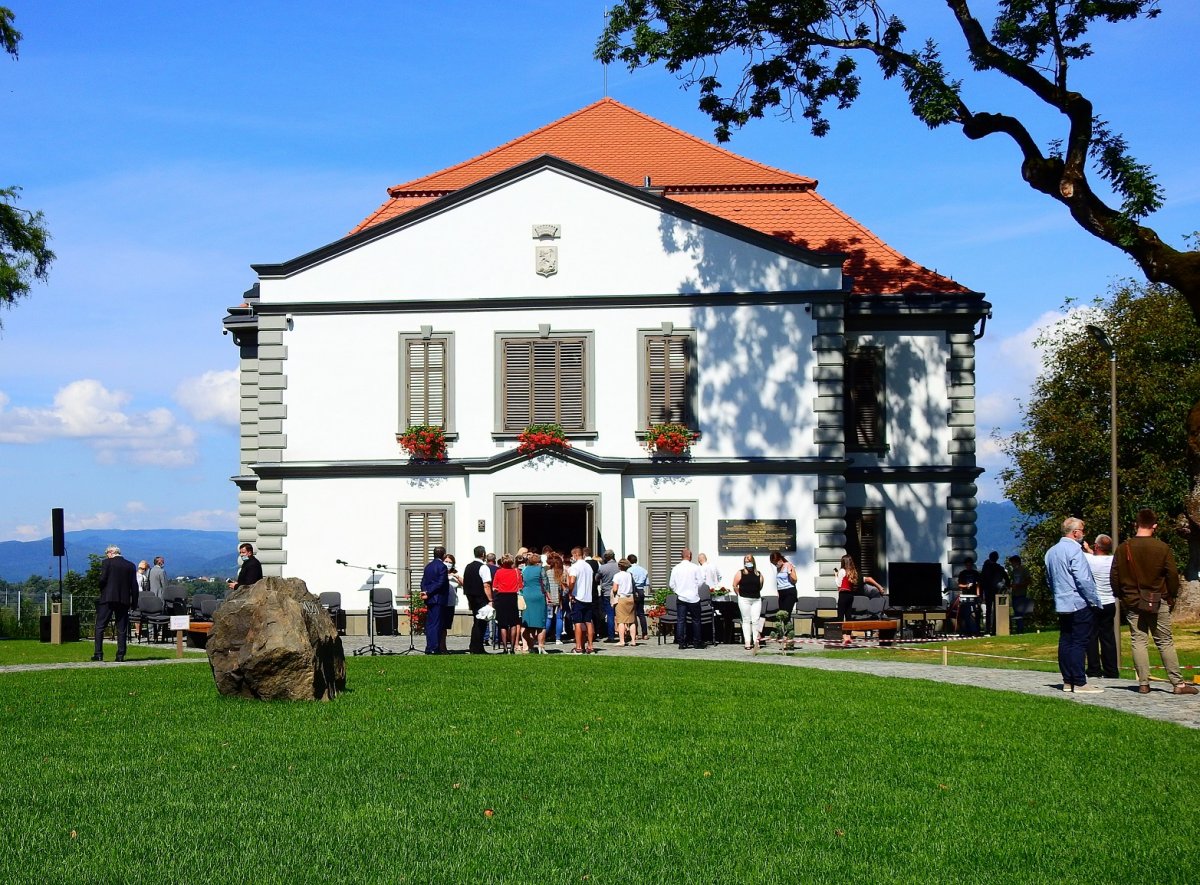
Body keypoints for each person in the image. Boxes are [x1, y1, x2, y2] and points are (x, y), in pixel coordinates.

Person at [1111, 508, 1199, 695]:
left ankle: (1143, 683)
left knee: (1138, 640)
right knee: (1164, 641)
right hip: (1158, 600)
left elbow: (1114, 576)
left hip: (1132, 601)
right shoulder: (1162, 548)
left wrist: (1121, 596)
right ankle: (1178, 684)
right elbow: (1172, 576)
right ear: (1155, 526)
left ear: (1136, 524)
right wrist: (1172, 596)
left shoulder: (1122, 548)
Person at [1044, 517, 1103, 693]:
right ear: (1075, 532)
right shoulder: (1075, 551)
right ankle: (1079, 681)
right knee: (1079, 642)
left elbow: (1049, 579)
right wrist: (1094, 600)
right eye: (1083, 531)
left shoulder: (1051, 552)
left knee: (1066, 640)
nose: (1083, 535)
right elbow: (1083, 579)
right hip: (1078, 602)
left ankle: (1067, 680)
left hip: (1062, 602)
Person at [92, 545, 138, 662]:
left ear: (111, 552)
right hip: (123, 600)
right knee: (121, 628)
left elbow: (102, 579)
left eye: (107, 553)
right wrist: (134, 603)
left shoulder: (107, 563)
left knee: (100, 626)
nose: (107, 555)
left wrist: (101, 589)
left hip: (107, 598)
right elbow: (134, 586)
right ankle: (120, 655)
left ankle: (98, 654)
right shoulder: (130, 565)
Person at [1082, 534, 1119, 679]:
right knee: (1108, 637)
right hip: (1109, 602)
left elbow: (1087, 557)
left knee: (1091, 637)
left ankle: (1094, 669)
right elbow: (1099, 555)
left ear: (1096, 546)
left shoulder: (1089, 559)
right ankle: (1111, 670)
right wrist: (1091, 550)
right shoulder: (1113, 560)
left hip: (1093, 602)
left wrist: (1086, 548)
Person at [835, 554, 884, 647]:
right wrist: (879, 587)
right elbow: (865, 579)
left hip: (843, 595)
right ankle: (849, 636)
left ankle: (843, 636)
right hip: (851, 596)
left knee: (840, 616)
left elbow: (839, 584)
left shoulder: (842, 571)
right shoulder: (854, 572)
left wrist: (836, 576)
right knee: (848, 616)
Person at [668, 548, 704, 649]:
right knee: (696, 620)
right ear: (689, 556)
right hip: (693, 597)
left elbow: (671, 584)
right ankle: (697, 642)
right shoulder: (695, 567)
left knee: (681, 620)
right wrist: (695, 589)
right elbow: (700, 582)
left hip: (681, 597)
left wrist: (678, 591)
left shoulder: (676, 568)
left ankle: (681, 642)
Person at [419, 545, 450, 655]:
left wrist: (424, 590)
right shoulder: (442, 567)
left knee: (430, 624)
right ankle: (434, 648)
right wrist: (428, 592)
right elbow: (440, 583)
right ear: (443, 555)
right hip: (438, 599)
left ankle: (429, 646)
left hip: (430, 599)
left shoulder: (428, 566)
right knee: (436, 624)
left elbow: (423, 581)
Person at [462, 546, 493, 655]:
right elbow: (486, 585)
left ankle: (475, 646)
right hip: (480, 597)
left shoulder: (468, 566)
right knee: (481, 623)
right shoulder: (483, 567)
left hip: (471, 597)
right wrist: (490, 599)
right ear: (483, 554)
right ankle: (477, 647)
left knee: (477, 621)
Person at [566, 546, 596, 654]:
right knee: (588, 622)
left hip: (578, 597)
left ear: (574, 555)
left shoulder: (574, 567)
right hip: (588, 597)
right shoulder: (588, 566)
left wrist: (569, 591)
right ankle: (590, 646)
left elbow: (572, 580)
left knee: (577, 622)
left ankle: (578, 647)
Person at [492, 554, 522, 654]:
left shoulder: (499, 572)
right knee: (513, 623)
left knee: (503, 624)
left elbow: (495, 586)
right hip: (513, 597)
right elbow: (520, 586)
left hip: (501, 598)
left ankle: (505, 647)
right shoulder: (516, 572)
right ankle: (512, 647)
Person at [732, 554, 764, 651]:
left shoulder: (759, 574)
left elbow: (760, 586)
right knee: (746, 620)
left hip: (756, 599)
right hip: (744, 599)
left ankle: (755, 641)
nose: (748, 562)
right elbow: (734, 585)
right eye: (746, 561)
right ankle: (747, 641)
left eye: (749, 560)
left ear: (753, 561)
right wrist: (739, 595)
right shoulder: (740, 572)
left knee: (756, 620)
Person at [521, 552, 549, 653]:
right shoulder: (540, 569)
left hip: (527, 595)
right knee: (541, 623)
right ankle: (541, 646)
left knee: (529, 622)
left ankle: (531, 646)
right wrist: (547, 595)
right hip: (538, 595)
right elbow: (545, 583)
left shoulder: (525, 569)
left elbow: (522, 582)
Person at [979, 551, 1008, 634]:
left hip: (988, 592)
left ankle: (987, 629)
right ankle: (996, 628)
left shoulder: (985, 569)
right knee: (997, 610)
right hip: (998, 591)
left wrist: (981, 594)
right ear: (997, 558)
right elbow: (1007, 580)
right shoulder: (1000, 568)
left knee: (988, 611)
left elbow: (981, 582)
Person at [954, 556, 982, 635]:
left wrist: (978, 595)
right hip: (965, 596)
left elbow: (978, 585)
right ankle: (966, 630)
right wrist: (966, 586)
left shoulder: (975, 573)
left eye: (970, 564)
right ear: (965, 565)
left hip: (974, 596)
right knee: (966, 613)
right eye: (967, 565)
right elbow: (959, 585)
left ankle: (977, 630)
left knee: (977, 613)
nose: (969, 566)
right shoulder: (962, 573)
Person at [613, 558, 637, 646]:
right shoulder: (630, 575)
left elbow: (615, 589)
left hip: (622, 598)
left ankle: (622, 640)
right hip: (630, 598)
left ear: (619, 566)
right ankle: (633, 640)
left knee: (621, 621)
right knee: (632, 620)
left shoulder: (617, 576)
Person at [545, 551, 566, 646]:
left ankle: (543, 637)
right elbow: (565, 588)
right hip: (559, 598)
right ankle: (558, 638)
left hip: (549, 599)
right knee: (559, 618)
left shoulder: (547, 573)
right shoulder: (562, 573)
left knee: (548, 618)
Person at [768, 551, 798, 619]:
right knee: (781, 616)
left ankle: (788, 629)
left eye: (775, 563)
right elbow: (778, 582)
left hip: (789, 591)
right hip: (781, 592)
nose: (775, 565)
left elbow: (795, 580)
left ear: (780, 559)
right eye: (773, 564)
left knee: (786, 615)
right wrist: (778, 593)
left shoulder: (788, 565)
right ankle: (783, 629)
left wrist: (789, 571)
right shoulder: (778, 568)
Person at [627, 553, 650, 641]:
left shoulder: (629, 570)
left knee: (633, 613)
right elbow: (646, 583)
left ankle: (635, 634)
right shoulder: (643, 570)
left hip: (633, 591)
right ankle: (645, 634)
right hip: (641, 591)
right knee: (641, 613)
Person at [597, 549, 619, 642]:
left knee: (610, 614)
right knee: (620, 614)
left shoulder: (602, 568)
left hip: (606, 593)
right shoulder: (619, 566)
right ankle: (624, 634)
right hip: (618, 593)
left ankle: (611, 636)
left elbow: (596, 579)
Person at [441, 553, 461, 653]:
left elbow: (464, 584)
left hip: (451, 603)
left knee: (446, 627)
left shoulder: (454, 575)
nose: (448, 564)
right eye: (446, 562)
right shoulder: (440, 573)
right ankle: (441, 646)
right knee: (441, 626)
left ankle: (443, 646)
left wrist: (457, 577)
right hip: (441, 603)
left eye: (450, 562)